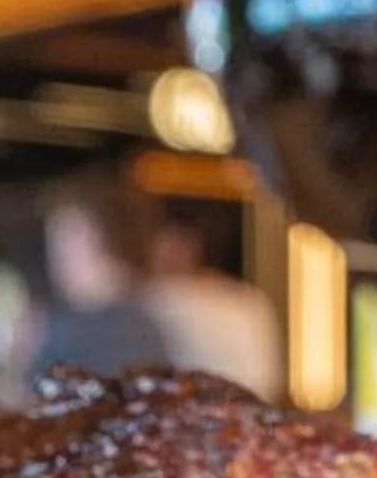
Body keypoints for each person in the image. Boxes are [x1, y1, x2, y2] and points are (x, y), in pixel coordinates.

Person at [26, 171, 171, 380]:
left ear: (96, 236)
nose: (54, 255)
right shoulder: (147, 320)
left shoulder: (70, 328)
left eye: (61, 238)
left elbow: (25, 401)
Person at [144, 206, 283, 400]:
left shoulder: (241, 301)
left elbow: (263, 377)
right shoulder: (144, 300)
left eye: (181, 242)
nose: (173, 251)